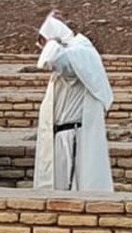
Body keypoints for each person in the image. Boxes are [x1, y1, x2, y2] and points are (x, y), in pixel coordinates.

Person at [33, 11, 115, 192]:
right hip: (62, 135)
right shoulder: (75, 54)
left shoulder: (77, 55)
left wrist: (53, 38)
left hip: (71, 137)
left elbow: (49, 60)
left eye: (44, 42)